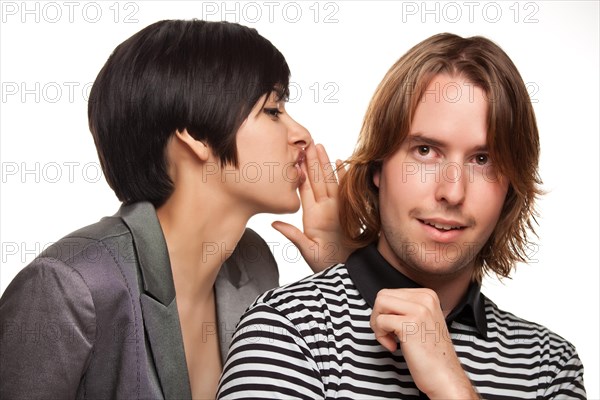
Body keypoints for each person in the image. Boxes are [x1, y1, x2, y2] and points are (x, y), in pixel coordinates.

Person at [217, 33, 587, 399]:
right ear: (378, 165)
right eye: (425, 151)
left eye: (482, 160)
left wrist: (453, 389)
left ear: (510, 188)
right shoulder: (288, 330)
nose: (452, 192)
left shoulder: (549, 366)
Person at [0, 19, 350, 399]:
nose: (302, 134)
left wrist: (337, 273)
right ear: (196, 135)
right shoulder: (69, 286)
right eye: (272, 109)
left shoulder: (253, 265)